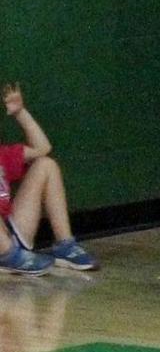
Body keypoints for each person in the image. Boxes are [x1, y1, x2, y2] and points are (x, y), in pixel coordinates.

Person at [0, 85, 95, 274]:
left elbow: (43, 148)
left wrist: (20, 113)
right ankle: (6, 256)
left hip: (11, 234)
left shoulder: (3, 155)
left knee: (46, 164)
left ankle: (65, 246)